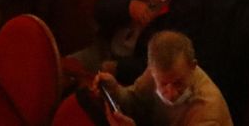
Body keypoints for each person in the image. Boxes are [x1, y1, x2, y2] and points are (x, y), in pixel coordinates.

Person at [98, 30, 232, 126]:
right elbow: (135, 99)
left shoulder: (207, 113)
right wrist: (114, 90)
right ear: (151, 68)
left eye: (178, 83)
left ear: (193, 66)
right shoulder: (155, 71)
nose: (171, 94)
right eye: (163, 84)